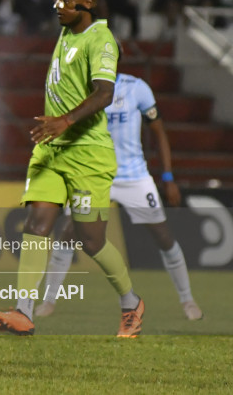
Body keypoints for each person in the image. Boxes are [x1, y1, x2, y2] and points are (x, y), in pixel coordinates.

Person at [0, 0, 145, 338]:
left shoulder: (102, 39)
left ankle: (131, 303)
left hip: (88, 153)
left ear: (87, 3)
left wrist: (64, 121)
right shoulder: (67, 26)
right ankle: (24, 311)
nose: (57, 3)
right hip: (52, 149)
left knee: (92, 240)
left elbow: (105, 94)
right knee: (38, 223)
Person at [35, 72, 203, 321]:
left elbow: (158, 132)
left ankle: (188, 300)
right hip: (93, 174)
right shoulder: (80, 86)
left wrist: (167, 177)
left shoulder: (137, 88)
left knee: (163, 235)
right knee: (69, 231)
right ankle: (48, 302)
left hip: (133, 176)